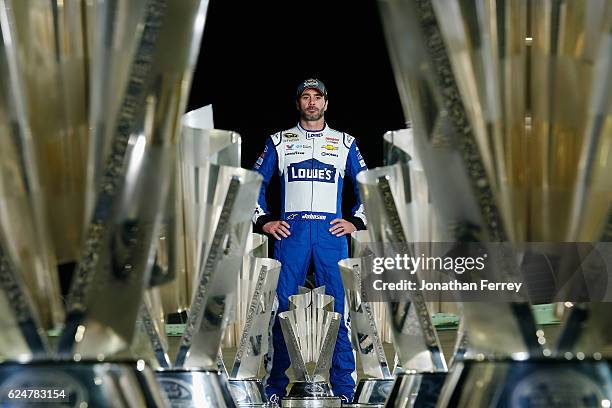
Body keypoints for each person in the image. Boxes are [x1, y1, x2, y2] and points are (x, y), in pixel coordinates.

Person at [252, 78, 368, 403]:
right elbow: (252, 184)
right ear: (299, 103)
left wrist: (355, 221)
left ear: (326, 103)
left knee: (340, 315)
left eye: (318, 97)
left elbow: (367, 187)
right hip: (293, 235)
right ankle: (274, 390)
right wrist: (264, 221)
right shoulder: (279, 141)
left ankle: (345, 392)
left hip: (332, 236)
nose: (312, 102)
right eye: (306, 97)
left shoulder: (345, 143)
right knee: (280, 312)